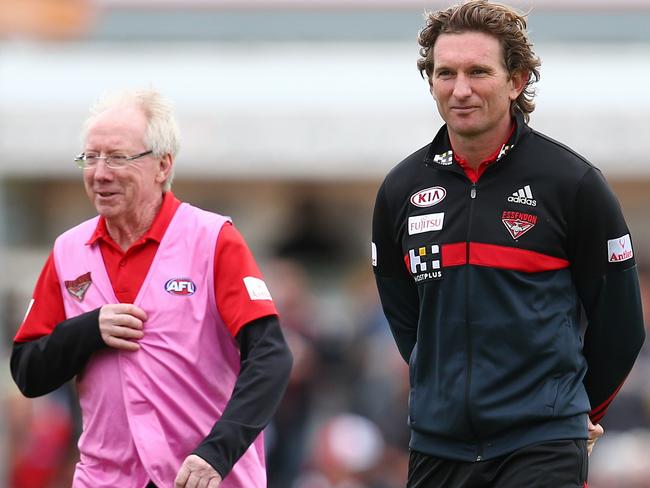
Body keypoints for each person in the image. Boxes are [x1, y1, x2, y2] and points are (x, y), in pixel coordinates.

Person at [371, 1, 645, 487]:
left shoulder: (573, 184)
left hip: (540, 445)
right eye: (445, 73)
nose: (460, 89)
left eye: (479, 72)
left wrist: (571, 408)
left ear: (516, 80)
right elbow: (407, 319)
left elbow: (621, 325)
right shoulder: (400, 190)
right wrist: (443, 391)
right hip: (437, 446)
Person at [10, 89, 293, 488]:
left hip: (204, 479)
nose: (100, 172)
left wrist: (217, 452)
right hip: (106, 479)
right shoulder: (67, 251)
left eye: (118, 157)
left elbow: (271, 359)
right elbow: (27, 371)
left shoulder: (213, 239)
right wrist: (88, 331)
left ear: (162, 166)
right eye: (90, 157)